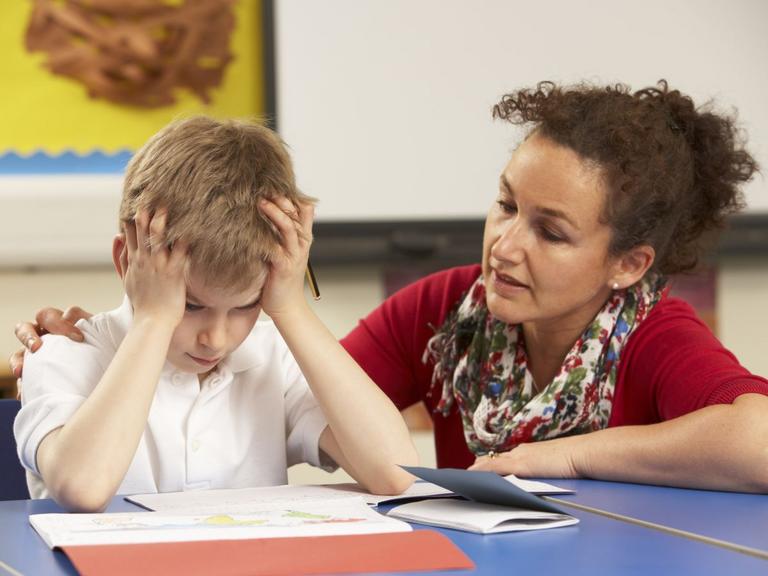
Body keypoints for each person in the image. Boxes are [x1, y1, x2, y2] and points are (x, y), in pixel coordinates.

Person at [12, 81, 768, 493]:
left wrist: (572, 454)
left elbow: (759, 442)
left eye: (552, 231)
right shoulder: (448, 311)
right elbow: (323, 399)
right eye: (505, 205)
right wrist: (147, 326)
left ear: (627, 263)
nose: (504, 245)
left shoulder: (654, 334)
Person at [11, 116, 417, 512]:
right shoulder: (62, 352)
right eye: (190, 305)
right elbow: (83, 488)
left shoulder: (273, 358)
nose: (215, 338)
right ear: (127, 261)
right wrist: (154, 320)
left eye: (245, 306)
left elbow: (397, 474)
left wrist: (290, 308)